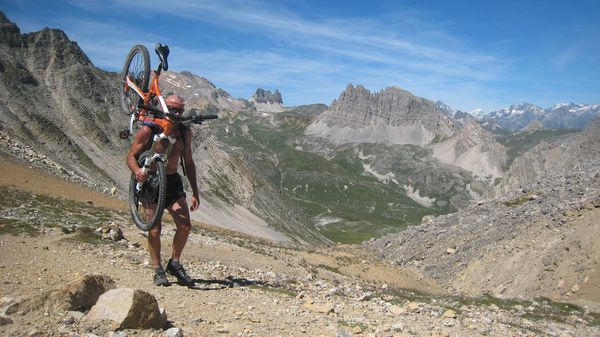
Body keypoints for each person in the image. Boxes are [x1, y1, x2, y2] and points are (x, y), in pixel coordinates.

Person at [126, 95, 199, 287]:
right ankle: (157, 269)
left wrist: (195, 192)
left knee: (185, 226)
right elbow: (131, 156)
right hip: (151, 181)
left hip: (173, 180)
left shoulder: (184, 132)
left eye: (180, 110)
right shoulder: (148, 130)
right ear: (163, 107)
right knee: (155, 229)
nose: (176, 113)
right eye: (172, 108)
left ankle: (174, 263)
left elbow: (189, 163)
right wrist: (137, 172)